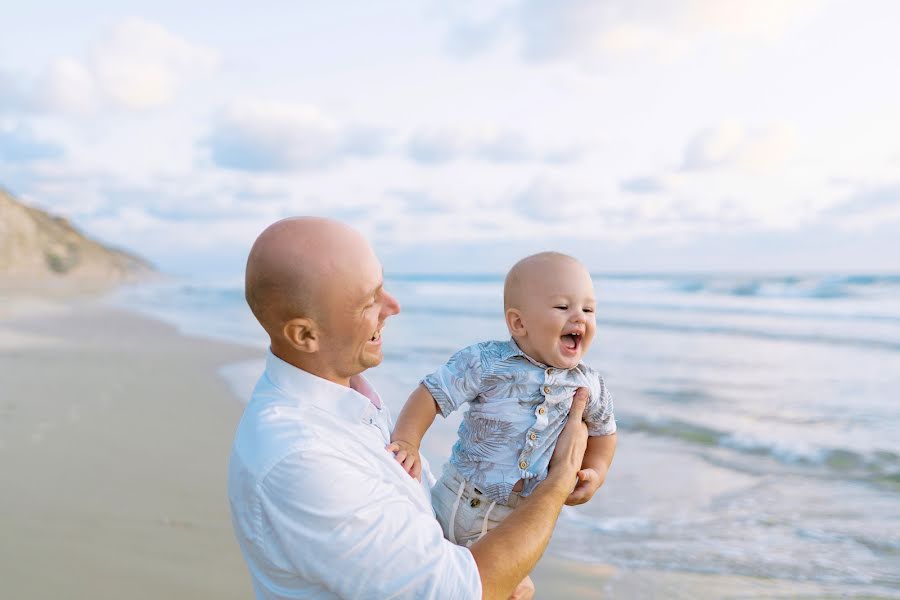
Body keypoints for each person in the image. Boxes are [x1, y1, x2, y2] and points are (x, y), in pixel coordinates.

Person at [228, 217, 591, 600]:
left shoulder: (344, 401)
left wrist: (503, 569)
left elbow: (419, 525)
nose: (393, 306)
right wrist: (557, 482)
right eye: (369, 301)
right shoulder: (301, 457)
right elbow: (462, 592)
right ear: (305, 335)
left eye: (382, 286)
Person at [387, 252, 617, 592]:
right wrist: (408, 440)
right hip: (460, 499)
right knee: (432, 580)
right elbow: (433, 393)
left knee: (501, 587)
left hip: (518, 519)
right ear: (518, 323)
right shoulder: (487, 362)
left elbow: (604, 432)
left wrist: (595, 473)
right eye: (562, 307)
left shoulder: (589, 384)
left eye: (588, 309)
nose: (579, 318)